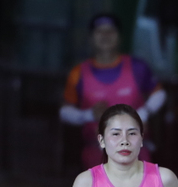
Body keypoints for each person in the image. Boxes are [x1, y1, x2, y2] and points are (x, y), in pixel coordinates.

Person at [60, 13, 166, 170]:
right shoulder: (79, 73)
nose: (105, 36)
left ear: (119, 36)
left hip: (137, 156)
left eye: (111, 31)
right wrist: (88, 115)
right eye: (100, 32)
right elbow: (65, 111)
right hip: (97, 156)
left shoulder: (137, 67)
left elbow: (159, 93)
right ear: (90, 37)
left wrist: (143, 113)